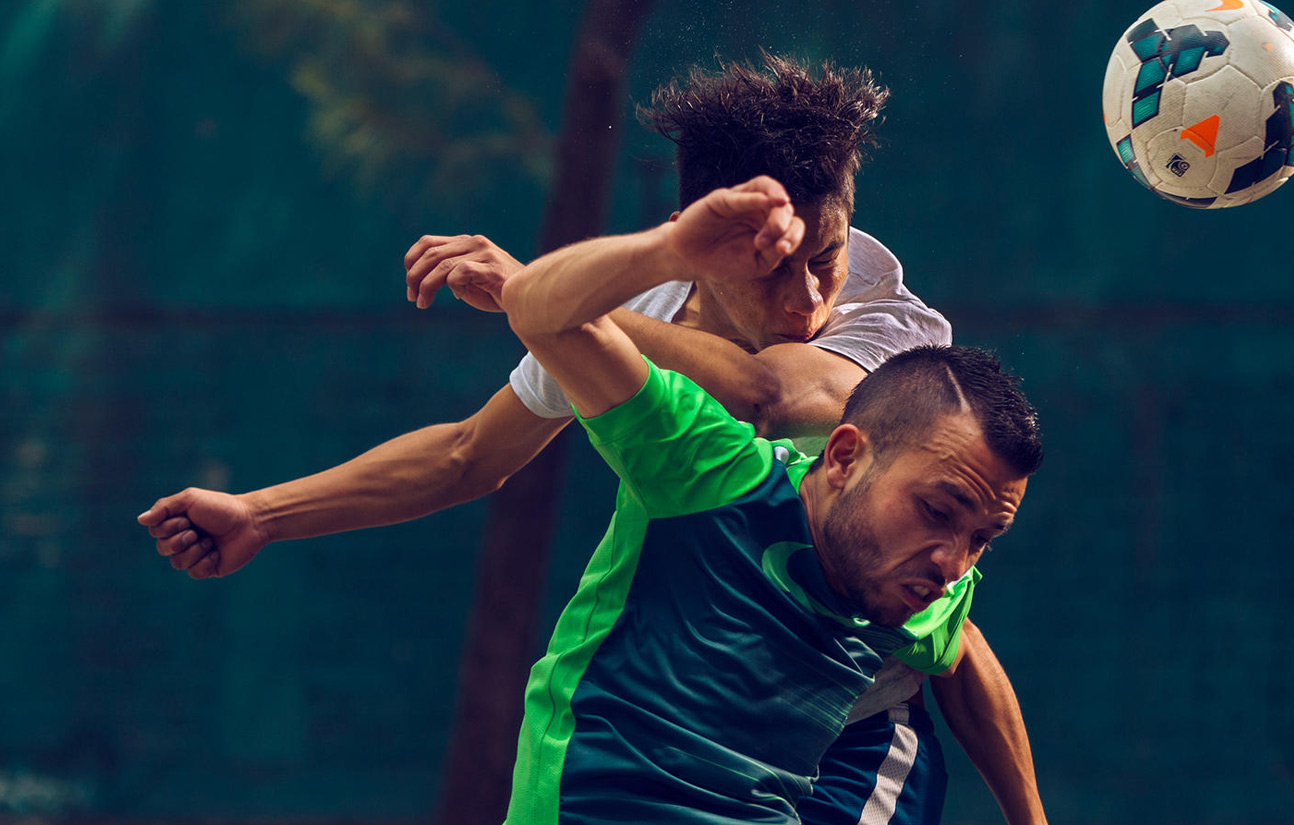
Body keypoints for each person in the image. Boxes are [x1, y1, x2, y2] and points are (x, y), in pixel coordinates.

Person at [139, 54, 1046, 824]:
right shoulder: (642, 302)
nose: (809, 298)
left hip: (852, 730)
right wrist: (262, 512)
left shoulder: (891, 327)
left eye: (827, 257)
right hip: (684, 731)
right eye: (777, 268)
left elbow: (772, 396)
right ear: (706, 240)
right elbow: (468, 455)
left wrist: (541, 300)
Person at [469, 173, 1044, 823]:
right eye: (937, 512)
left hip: (840, 760)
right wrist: (647, 261)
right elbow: (470, 445)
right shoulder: (706, 466)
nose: (953, 564)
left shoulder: (909, 555)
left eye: (981, 539)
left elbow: (958, 647)